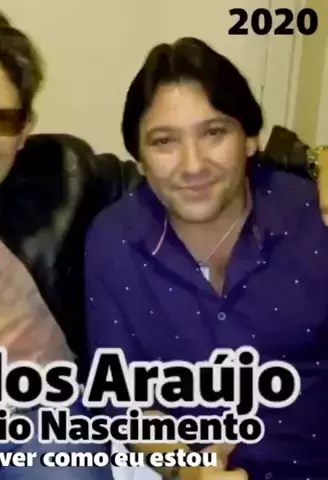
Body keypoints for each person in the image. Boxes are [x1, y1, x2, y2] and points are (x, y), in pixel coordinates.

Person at [0, 7, 324, 480]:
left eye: (5, 119)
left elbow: (189, 181)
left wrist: (316, 161)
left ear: (25, 130)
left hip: (49, 413)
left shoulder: (68, 175)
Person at [83, 37, 328, 480]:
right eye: (164, 141)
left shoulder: (314, 220)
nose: (193, 166)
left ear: (250, 139)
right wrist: (188, 470)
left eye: (214, 133)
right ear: (140, 158)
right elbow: (122, 398)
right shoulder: (115, 241)